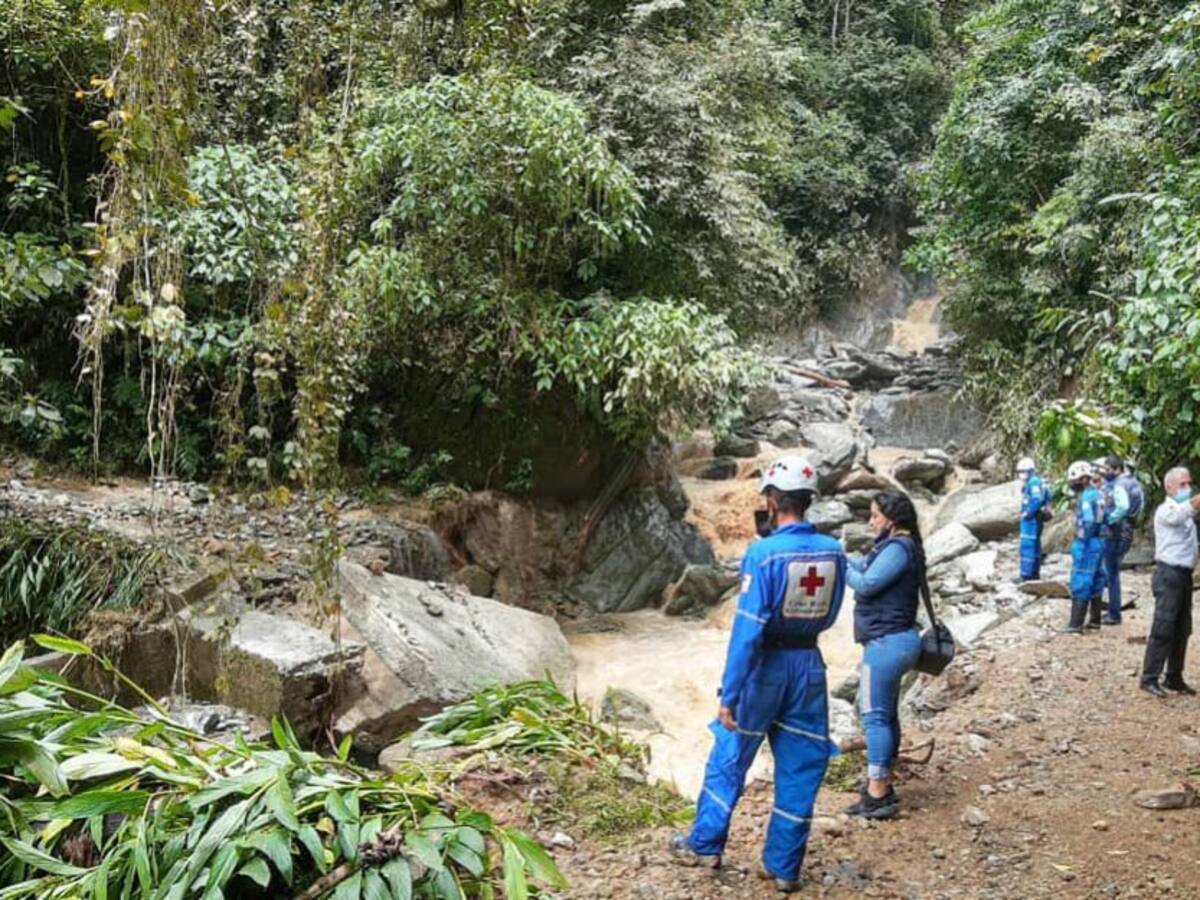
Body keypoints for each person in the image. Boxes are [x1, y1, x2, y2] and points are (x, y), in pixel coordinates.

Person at [672, 455, 846, 893]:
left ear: (772, 500)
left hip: (765, 667)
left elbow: (748, 631)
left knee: (730, 753)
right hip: (809, 667)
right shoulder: (834, 551)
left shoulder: (763, 554)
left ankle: (705, 844)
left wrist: (729, 693)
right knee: (802, 765)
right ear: (808, 500)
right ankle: (783, 867)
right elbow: (834, 610)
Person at [843, 490, 925, 820]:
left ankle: (876, 791)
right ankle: (885, 782)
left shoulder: (897, 548)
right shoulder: (899, 546)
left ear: (891, 520)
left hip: (886, 643)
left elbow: (865, 583)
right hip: (899, 641)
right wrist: (837, 555)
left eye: (875, 515)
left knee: (874, 716)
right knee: (887, 715)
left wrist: (838, 566)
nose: (870, 521)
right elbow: (862, 565)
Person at [1139, 466, 1200, 698]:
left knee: (1182, 628)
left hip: (1184, 575)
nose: (1187, 488)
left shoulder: (1188, 514)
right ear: (1169, 487)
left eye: (1189, 484)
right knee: (1163, 627)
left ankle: (1174, 676)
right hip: (1168, 574)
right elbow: (1181, 513)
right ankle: (1149, 677)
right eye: (1182, 484)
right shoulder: (1166, 511)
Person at [1063, 460, 1106, 633]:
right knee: (1097, 578)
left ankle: (1076, 624)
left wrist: (1083, 537)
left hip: (1087, 543)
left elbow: (1088, 521)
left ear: (1082, 479)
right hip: (1099, 541)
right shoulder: (1099, 494)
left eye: (1074, 480)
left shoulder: (1087, 497)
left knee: (1081, 579)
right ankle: (1095, 620)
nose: (1073, 484)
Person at [1096, 454, 1131, 625]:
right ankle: (1110, 610)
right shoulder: (1133, 482)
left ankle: (1114, 613)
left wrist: (1110, 519)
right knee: (1112, 572)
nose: (1105, 473)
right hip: (1126, 530)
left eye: (1108, 470)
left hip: (1114, 532)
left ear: (1117, 469)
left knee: (1111, 574)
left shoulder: (1118, 485)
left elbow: (1123, 506)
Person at [1016, 457, 1049, 582]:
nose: (1020, 474)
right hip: (1036, 519)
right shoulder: (1037, 482)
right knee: (1035, 545)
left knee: (1027, 546)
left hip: (1031, 520)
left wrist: (1028, 512)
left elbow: (1037, 499)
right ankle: (1034, 573)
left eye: (1022, 471)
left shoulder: (1034, 483)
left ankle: (1026, 574)